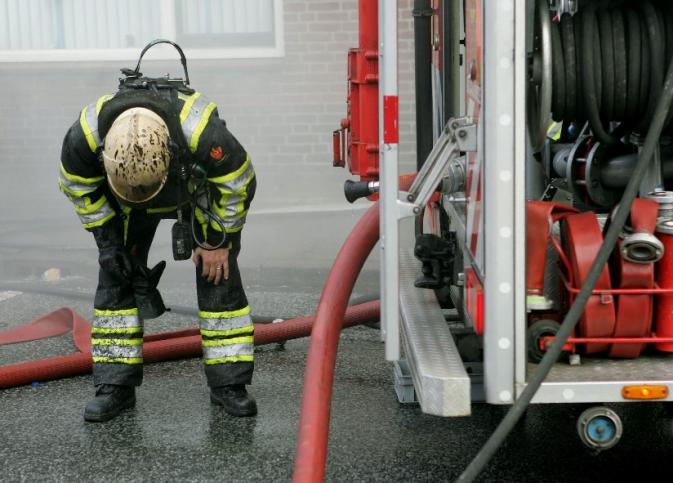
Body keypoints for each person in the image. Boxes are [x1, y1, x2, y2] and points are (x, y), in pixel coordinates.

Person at [58, 41, 257, 422]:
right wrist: (108, 242)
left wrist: (219, 241)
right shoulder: (85, 136)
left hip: (194, 193)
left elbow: (238, 181)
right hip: (124, 204)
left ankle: (229, 384)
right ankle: (114, 386)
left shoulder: (200, 131)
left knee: (218, 273)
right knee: (115, 277)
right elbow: (77, 187)